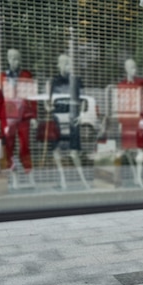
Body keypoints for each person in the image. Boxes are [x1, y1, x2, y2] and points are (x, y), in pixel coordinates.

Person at [47, 54, 89, 189]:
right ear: (58, 65)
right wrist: (49, 108)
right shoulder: (53, 82)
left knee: (74, 152)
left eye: (69, 63)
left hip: (72, 119)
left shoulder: (77, 80)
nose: (67, 66)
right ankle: (63, 180)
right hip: (58, 118)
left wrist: (82, 114)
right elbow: (47, 103)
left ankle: (83, 181)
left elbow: (83, 99)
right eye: (64, 63)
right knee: (56, 151)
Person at [0, 48, 37, 188]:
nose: (14, 60)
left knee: (24, 146)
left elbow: (32, 97)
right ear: (7, 59)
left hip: (23, 117)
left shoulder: (26, 75)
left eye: (17, 57)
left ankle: (29, 174)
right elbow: (0, 98)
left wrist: (33, 116)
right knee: (9, 146)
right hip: (7, 117)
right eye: (12, 57)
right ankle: (14, 178)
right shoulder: (3, 76)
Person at [117, 58, 143, 187]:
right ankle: (132, 178)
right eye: (131, 67)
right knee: (126, 150)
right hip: (127, 121)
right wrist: (120, 122)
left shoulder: (141, 83)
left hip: (140, 120)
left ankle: (139, 179)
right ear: (126, 68)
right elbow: (120, 104)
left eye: (135, 67)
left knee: (140, 151)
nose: (134, 69)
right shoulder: (122, 85)